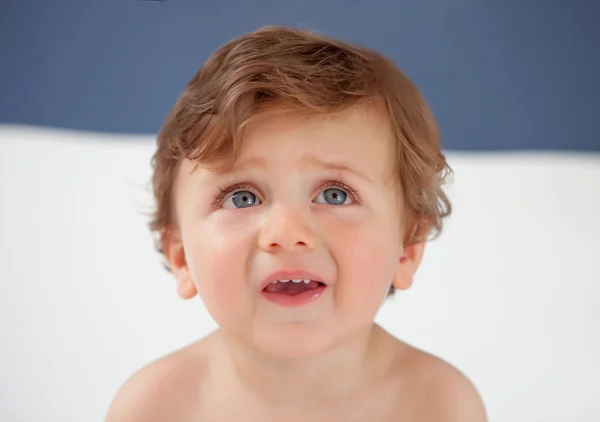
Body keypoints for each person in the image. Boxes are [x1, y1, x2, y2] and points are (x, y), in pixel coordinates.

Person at [106, 25, 487, 421]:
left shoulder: (437, 404)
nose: (287, 234)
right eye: (242, 197)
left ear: (407, 247)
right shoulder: (155, 407)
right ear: (182, 256)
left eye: (334, 194)